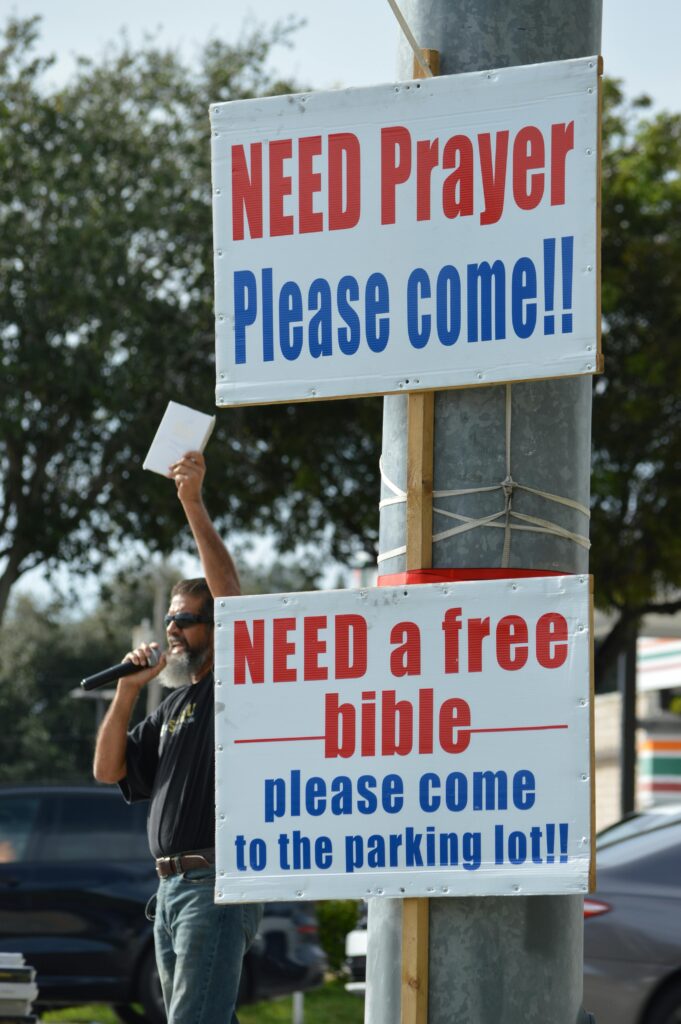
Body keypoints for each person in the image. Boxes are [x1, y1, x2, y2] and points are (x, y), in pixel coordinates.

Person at [93, 450, 262, 1024]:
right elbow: (109, 770)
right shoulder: (172, 706)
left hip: (211, 884)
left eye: (186, 618)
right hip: (168, 891)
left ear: (215, 629)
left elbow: (233, 599)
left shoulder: (234, 686)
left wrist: (192, 502)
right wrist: (126, 692)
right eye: (170, 618)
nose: (172, 629)